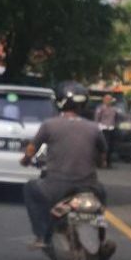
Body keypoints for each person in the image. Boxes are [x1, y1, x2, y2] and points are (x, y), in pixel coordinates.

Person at [20, 82, 108, 249]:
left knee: (30, 189)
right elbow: (102, 158)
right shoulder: (94, 128)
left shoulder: (49, 125)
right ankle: (101, 236)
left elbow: (32, 149)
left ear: (59, 102)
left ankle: (41, 235)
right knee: (102, 194)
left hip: (55, 187)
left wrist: (25, 160)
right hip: (89, 187)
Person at [94, 94, 119, 167]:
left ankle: (109, 162)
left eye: (110, 99)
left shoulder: (114, 109)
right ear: (104, 100)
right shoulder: (100, 108)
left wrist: (116, 126)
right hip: (103, 129)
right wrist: (97, 127)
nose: (109, 101)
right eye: (107, 99)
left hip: (111, 129)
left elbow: (116, 118)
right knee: (104, 146)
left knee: (111, 146)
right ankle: (101, 162)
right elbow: (97, 118)